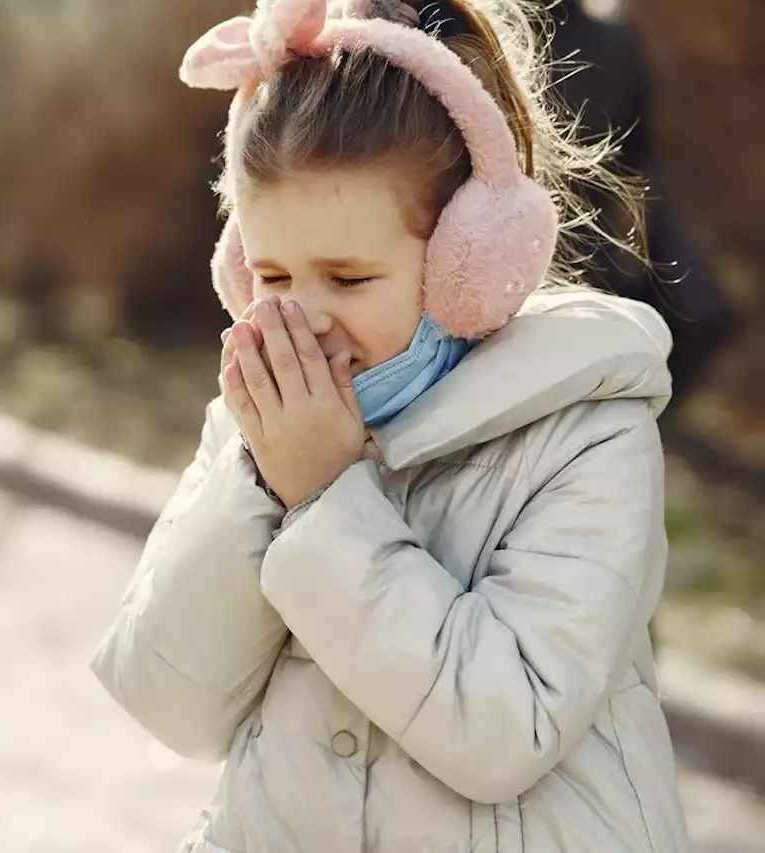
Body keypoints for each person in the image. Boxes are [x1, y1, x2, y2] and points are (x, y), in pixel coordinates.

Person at [90, 1, 689, 851]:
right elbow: (169, 699)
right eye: (272, 275)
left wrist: (328, 496)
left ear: (465, 262)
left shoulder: (588, 431)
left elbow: (501, 730)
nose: (306, 317)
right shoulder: (254, 427)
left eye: (347, 276)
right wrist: (262, 480)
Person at [547, 0, 737, 417]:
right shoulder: (456, 20)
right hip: (490, 268)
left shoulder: (613, 38)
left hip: (590, 263)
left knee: (701, 318)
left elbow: (639, 163)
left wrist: (674, 270)